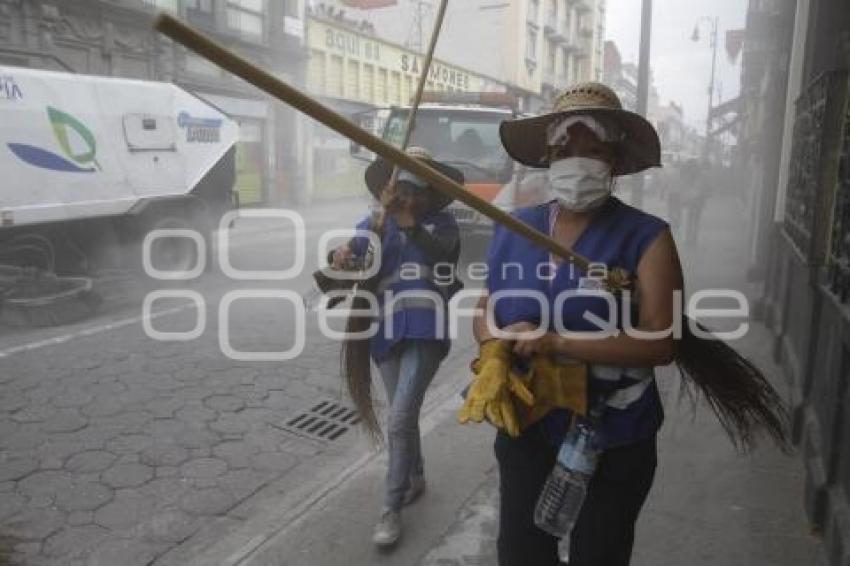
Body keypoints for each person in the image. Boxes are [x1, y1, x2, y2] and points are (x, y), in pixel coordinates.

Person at [463, 82, 684, 565]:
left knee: (599, 554)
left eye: (593, 149)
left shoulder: (648, 237)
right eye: (565, 149)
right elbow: (486, 306)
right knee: (521, 553)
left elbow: (660, 342)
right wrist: (494, 347)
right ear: (548, 157)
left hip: (614, 433)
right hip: (528, 423)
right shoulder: (514, 226)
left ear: (615, 161)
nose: (577, 161)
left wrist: (556, 340)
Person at [331, 146, 464, 548]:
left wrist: (407, 224)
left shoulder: (443, 226)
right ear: (391, 187)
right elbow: (352, 260)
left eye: (417, 188)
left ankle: (391, 507)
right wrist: (342, 254)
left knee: (400, 417)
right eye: (402, 185)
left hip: (426, 330)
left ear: (429, 194)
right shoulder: (373, 223)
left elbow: (444, 260)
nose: (409, 195)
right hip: (384, 331)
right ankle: (417, 476)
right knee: (402, 419)